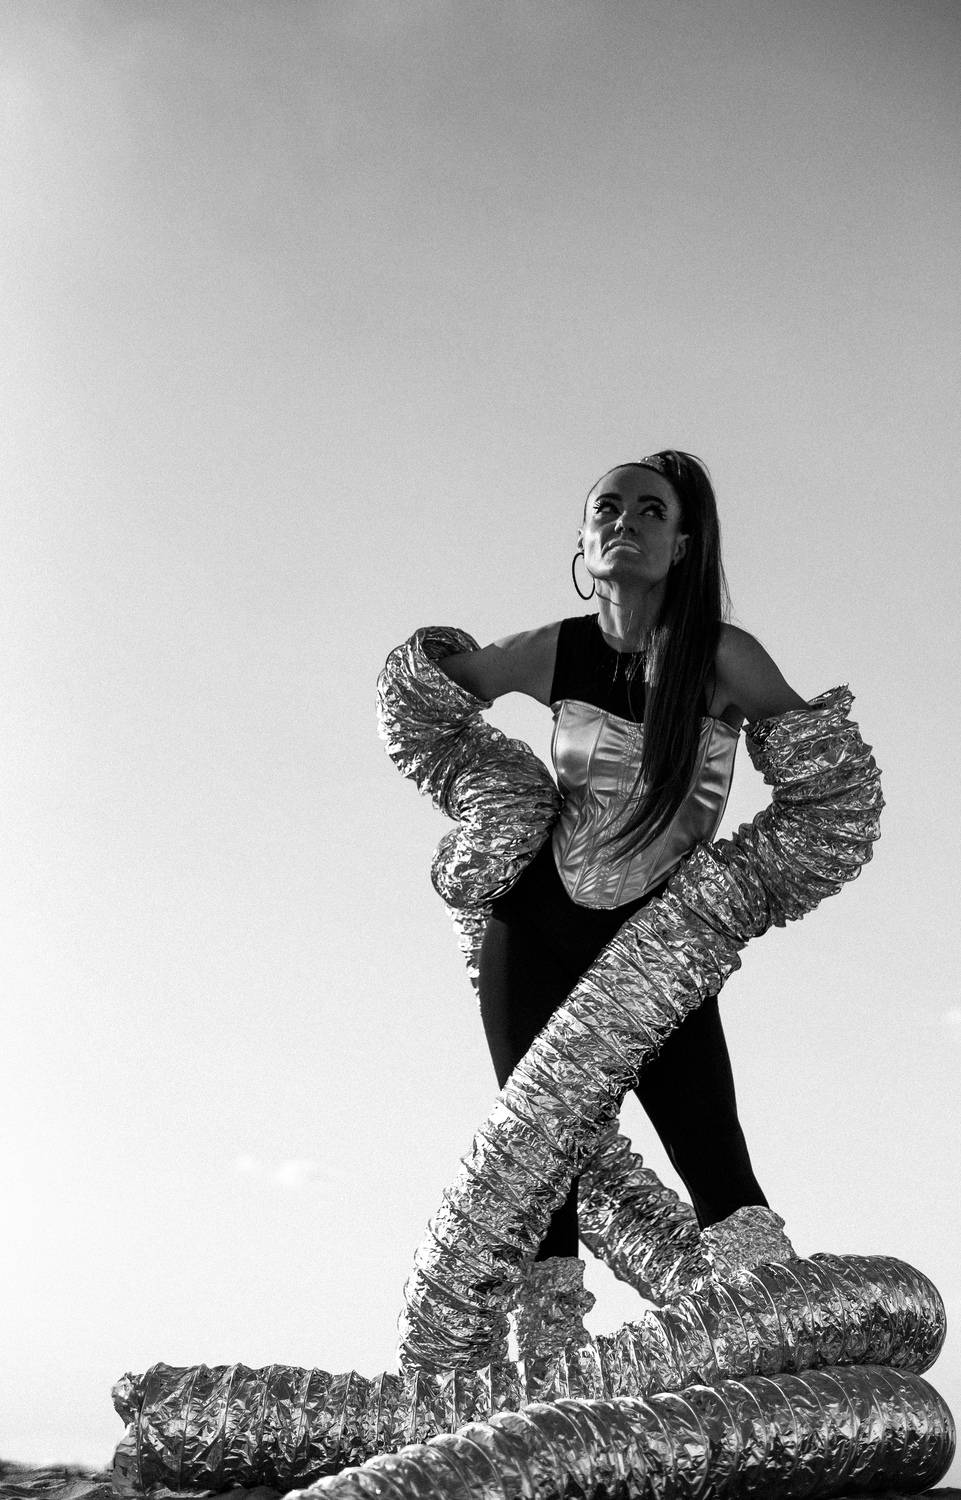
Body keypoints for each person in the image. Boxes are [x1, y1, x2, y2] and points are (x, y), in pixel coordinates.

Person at [437, 450, 808, 1264]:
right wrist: (488, 796)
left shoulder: (723, 657)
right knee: (537, 1177)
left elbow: (826, 783)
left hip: (658, 944)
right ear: (581, 539)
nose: (624, 522)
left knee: (718, 1169)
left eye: (650, 511)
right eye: (606, 508)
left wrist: (744, 882)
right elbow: (429, 697)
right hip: (531, 928)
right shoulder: (550, 649)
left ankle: (774, 1316)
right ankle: (546, 1343)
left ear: (681, 546)